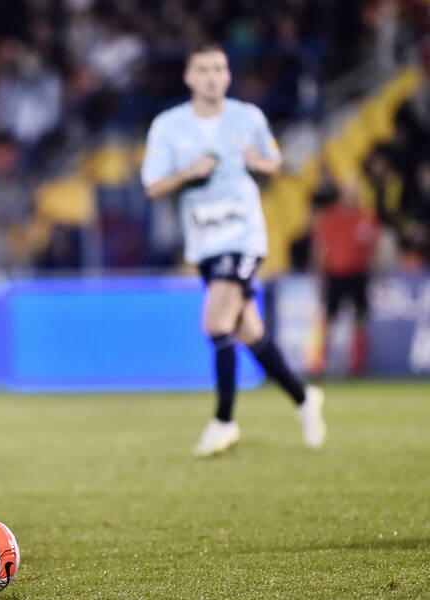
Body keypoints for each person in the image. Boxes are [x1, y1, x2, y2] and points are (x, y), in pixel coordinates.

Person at [140, 42, 326, 457]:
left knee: (216, 322)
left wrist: (261, 163)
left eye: (220, 69)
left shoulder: (249, 117)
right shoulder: (168, 126)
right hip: (203, 242)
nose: (213, 77)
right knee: (249, 331)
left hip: (244, 236)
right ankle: (303, 398)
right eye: (204, 69)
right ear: (189, 77)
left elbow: (275, 161)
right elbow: (152, 186)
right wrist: (188, 173)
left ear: (228, 75)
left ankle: (223, 421)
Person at [311, 184, 379, 376]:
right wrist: (318, 277)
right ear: (342, 196)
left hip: (359, 275)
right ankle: (319, 364)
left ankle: (356, 366)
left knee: (359, 320)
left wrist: (377, 275)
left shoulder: (366, 217)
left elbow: (373, 250)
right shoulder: (330, 218)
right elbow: (320, 250)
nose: (353, 197)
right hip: (335, 274)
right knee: (328, 319)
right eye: (350, 193)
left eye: (355, 193)